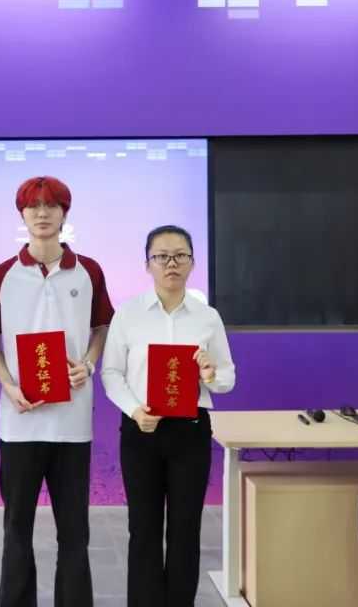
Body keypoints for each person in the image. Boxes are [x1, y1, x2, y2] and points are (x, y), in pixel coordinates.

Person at [0, 175, 114, 607]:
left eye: (51, 205)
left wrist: (87, 365)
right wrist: (8, 384)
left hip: (72, 424)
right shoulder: (0, 275)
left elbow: (102, 327)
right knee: (16, 529)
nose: (42, 213)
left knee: (74, 531)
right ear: (22, 214)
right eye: (33, 206)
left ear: (64, 213)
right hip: (19, 422)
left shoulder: (89, 271)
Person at [100, 225, 235, 607]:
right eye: (162, 256)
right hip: (141, 431)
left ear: (192, 263)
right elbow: (111, 373)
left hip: (190, 433)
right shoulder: (128, 314)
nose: (171, 264)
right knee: (143, 529)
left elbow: (227, 378)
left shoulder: (207, 317)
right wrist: (134, 409)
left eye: (180, 256)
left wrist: (210, 375)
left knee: (185, 531)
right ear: (148, 264)